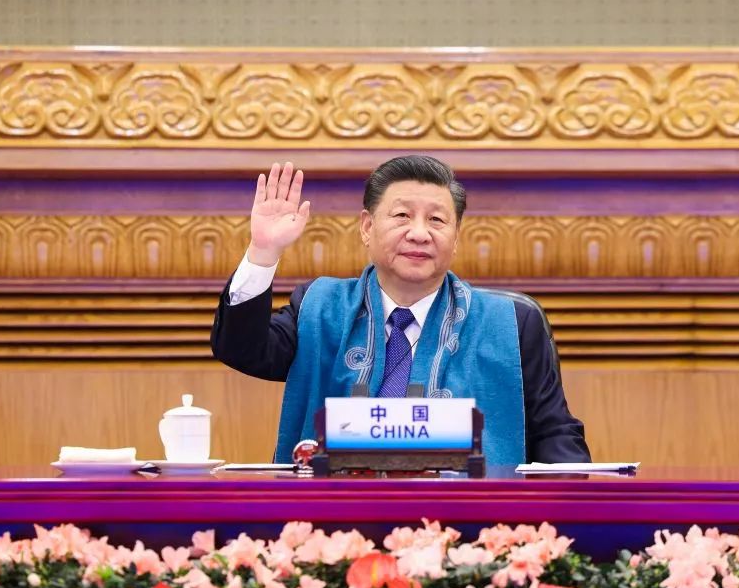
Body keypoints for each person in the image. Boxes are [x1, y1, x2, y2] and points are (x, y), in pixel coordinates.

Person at [211, 156, 590, 465]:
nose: (419, 233)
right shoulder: (319, 307)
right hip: (334, 519)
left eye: (437, 220)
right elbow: (242, 349)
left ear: (456, 237)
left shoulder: (511, 322)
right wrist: (264, 252)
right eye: (402, 216)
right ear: (366, 227)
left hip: (471, 522)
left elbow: (554, 430)